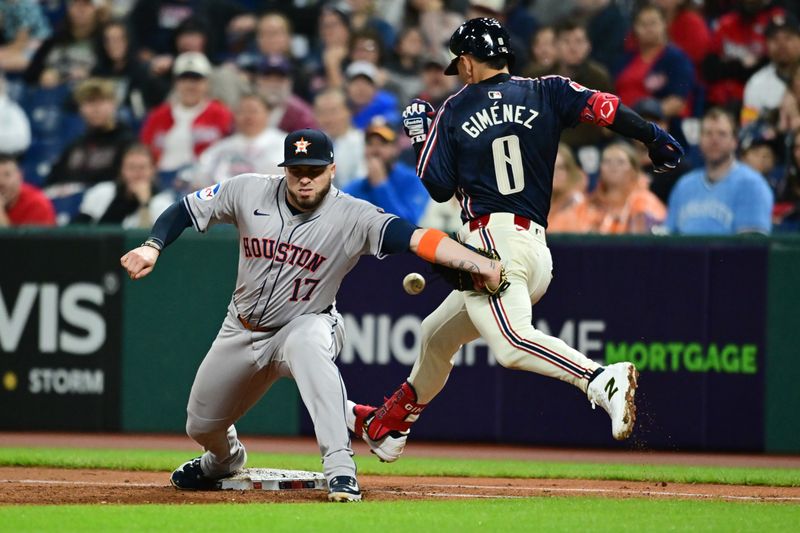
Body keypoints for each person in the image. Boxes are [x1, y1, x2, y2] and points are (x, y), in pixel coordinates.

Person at [345, 18, 684, 462]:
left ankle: (600, 378)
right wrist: (653, 136)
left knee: (510, 345)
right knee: (435, 335)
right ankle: (392, 425)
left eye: (459, 63)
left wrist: (420, 134)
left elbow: (438, 186)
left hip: (490, 246)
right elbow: (606, 108)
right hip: (536, 249)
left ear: (466, 62)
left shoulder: (455, 107)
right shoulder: (549, 89)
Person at [119, 128, 505, 502]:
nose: (305, 180)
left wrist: (474, 261)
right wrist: (153, 246)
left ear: (332, 170)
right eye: (297, 171)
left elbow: (416, 237)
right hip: (240, 328)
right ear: (284, 169)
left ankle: (340, 467)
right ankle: (224, 460)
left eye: (314, 171)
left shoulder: (353, 214)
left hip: (309, 323)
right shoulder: (247, 189)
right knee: (201, 425)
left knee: (306, 343)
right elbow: (184, 209)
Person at [667, 108, 774, 235]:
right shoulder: (684, 186)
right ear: (699, 140)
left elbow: (752, 247)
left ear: (734, 142)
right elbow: (669, 236)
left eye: (722, 134)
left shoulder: (752, 185)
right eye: (708, 133)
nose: (714, 140)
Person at [140, 51, 234, 186]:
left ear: (207, 82)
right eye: (184, 79)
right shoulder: (158, 115)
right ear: (175, 82)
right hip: (162, 179)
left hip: (204, 183)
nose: (190, 85)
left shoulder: (221, 114)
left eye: (196, 79)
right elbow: (145, 151)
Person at [554, 142, 667, 234]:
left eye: (620, 162)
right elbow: (558, 233)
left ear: (634, 171)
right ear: (600, 169)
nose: (613, 166)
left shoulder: (646, 203)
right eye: (607, 161)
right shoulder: (588, 204)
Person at [46, 77, 136, 187]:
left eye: (101, 101)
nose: (95, 109)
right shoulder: (75, 146)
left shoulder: (128, 143)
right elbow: (52, 181)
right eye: (89, 102)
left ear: (114, 105)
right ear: (80, 108)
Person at [192, 93, 285, 188]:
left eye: (254, 111)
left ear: (267, 114)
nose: (248, 117)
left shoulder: (285, 143)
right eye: (243, 112)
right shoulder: (221, 148)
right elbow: (200, 178)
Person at [343, 122, 430, 223]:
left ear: (395, 149)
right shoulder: (355, 187)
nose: (375, 150)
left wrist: (380, 185)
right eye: (370, 144)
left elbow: (409, 225)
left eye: (382, 144)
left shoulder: (413, 181)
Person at [74, 143, 175, 228]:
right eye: (131, 167)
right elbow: (79, 230)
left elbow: (147, 243)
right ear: (122, 170)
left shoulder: (163, 203)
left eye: (142, 167)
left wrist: (144, 204)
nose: (137, 173)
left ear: (152, 171)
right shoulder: (102, 192)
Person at [313, 88, 366, 188]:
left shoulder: (362, 142)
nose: (328, 118)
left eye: (333, 111)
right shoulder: (311, 144)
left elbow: (363, 181)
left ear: (348, 111)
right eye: (322, 113)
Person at [0, 153, 56, 227]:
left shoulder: (37, 204)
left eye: (7, 175)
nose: (1, 182)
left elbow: (12, 238)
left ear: (19, 176)